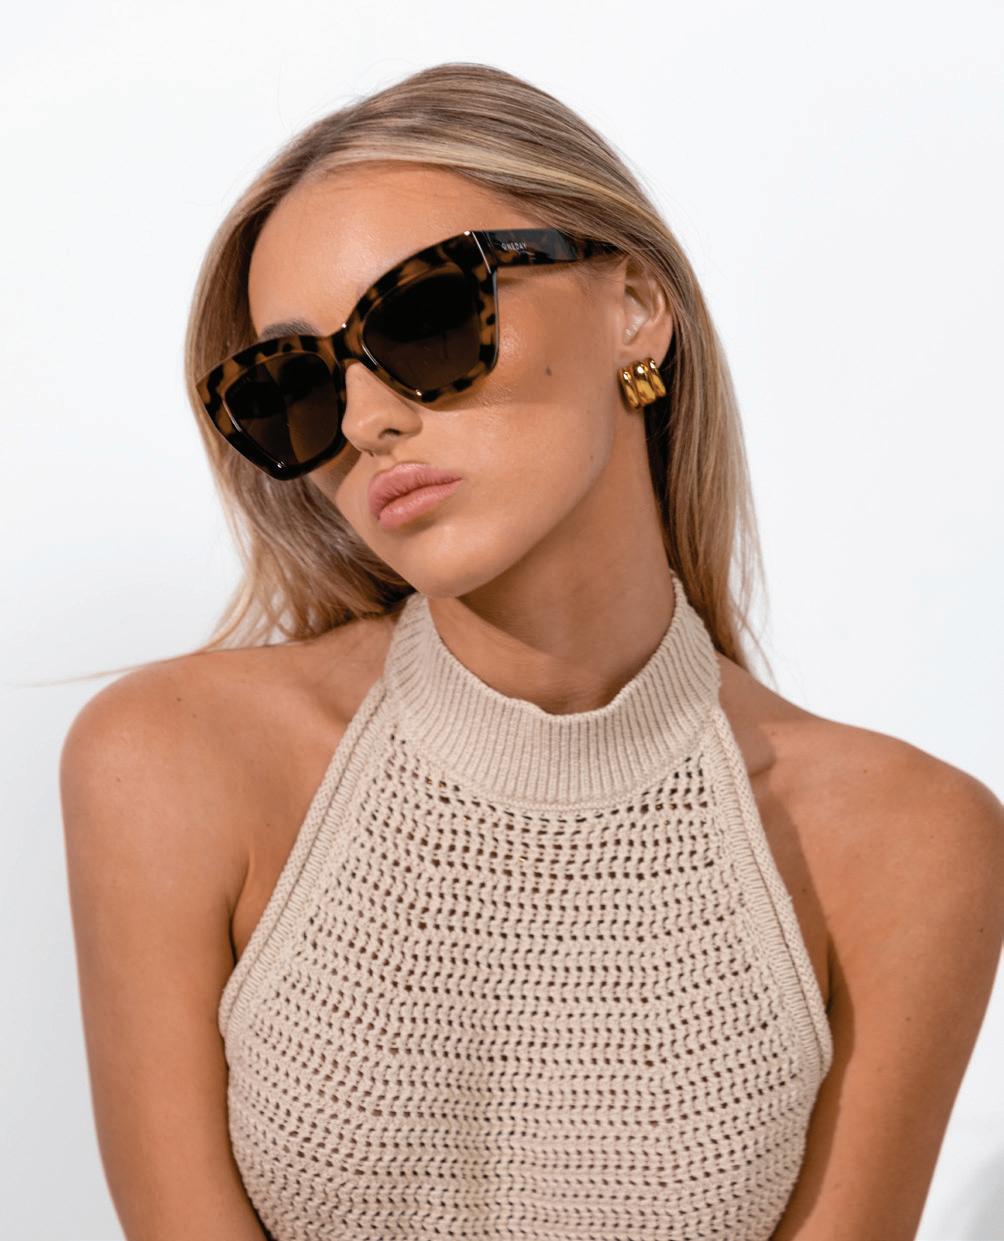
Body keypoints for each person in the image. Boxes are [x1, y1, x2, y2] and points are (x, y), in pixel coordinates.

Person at [59, 61, 1003, 1241]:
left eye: (421, 317)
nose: (364, 420)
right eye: (297, 383)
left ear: (633, 305)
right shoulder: (173, 761)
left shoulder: (908, 839)